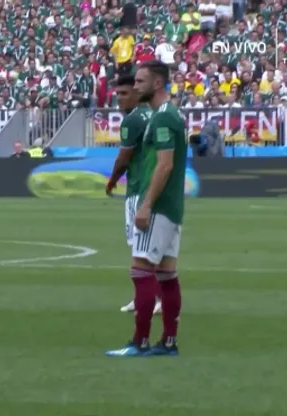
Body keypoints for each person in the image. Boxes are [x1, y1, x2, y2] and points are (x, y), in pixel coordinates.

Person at [106, 60, 187, 358]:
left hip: (158, 205)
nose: (135, 86)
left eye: (140, 82)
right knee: (166, 274)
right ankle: (168, 342)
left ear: (157, 83)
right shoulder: (164, 114)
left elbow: (164, 166)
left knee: (140, 270)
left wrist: (146, 205)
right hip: (172, 206)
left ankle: (139, 342)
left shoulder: (163, 117)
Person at [104, 73, 162, 316]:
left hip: (139, 189)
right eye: (117, 94)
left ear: (137, 94)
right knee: (145, 247)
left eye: (124, 93)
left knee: (141, 250)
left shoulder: (133, 120)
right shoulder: (152, 114)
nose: (119, 98)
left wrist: (112, 181)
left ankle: (155, 298)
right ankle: (143, 297)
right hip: (150, 187)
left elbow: (123, 157)